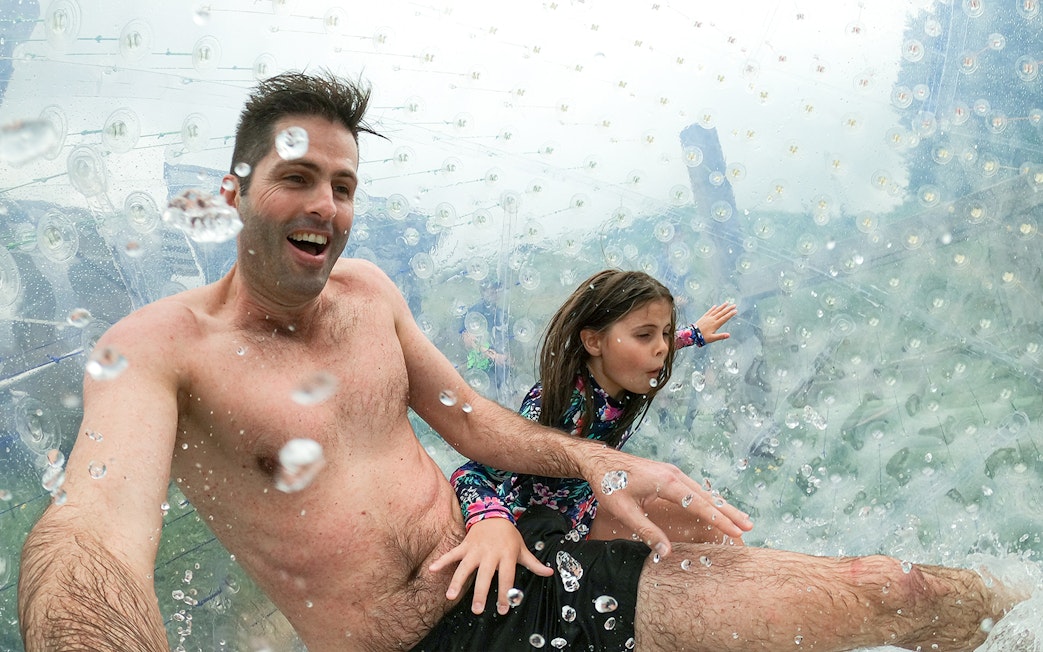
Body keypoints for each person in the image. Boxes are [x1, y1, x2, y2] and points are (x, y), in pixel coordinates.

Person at [18, 70, 1023, 652]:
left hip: (515, 552)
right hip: (448, 632)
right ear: (235, 191)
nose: (325, 203)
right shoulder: (156, 350)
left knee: (842, 575)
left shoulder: (368, 294)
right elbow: (91, 531)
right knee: (882, 590)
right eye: (297, 177)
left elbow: (475, 425)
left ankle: (1015, 608)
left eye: (343, 183)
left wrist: (596, 461)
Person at [445, 271, 743, 614]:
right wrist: (490, 520)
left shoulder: (622, 377)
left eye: (664, 333)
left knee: (717, 521)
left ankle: (736, 615)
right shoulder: (558, 405)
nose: (662, 347)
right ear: (594, 342)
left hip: (584, 512)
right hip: (534, 535)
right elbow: (472, 473)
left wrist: (693, 335)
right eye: (646, 335)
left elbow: (646, 347)